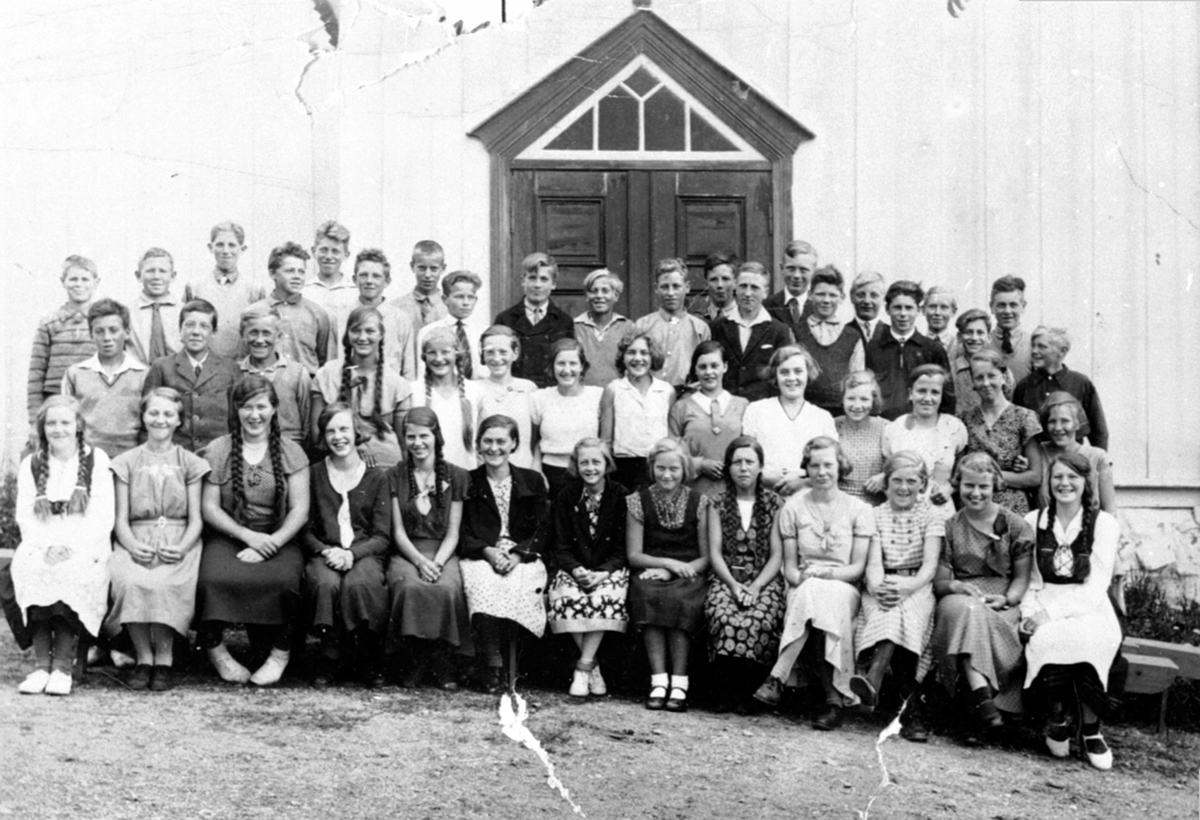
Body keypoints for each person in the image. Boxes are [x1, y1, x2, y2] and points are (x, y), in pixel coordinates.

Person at [196, 376, 311, 686]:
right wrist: (248, 537)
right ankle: (217, 652)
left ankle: (279, 655)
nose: (254, 414)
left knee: (286, 582)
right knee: (210, 580)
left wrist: (271, 542)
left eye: (262, 406)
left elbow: (300, 510)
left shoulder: (291, 451)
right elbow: (211, 508)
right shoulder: (219, 450)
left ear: (274, 409)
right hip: (231, 535)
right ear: (236, 410)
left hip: (278, 536)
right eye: (247, 407)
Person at [752, 437, 873, 730]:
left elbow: (857, 569)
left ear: (839, 466)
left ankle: (778, 677)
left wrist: (825, 575)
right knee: (812, 594)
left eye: (828, 464)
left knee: (819, 594)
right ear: (806, 468)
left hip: (843, 585)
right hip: (803, 584)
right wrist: (806, 578)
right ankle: (834, 701)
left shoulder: (859, 509)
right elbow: (790, 570)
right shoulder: (793, 508)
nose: (821, 472)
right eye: (814, 465)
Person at [1021, 453, 1122, 770]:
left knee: (1090, 639)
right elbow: (1031, 580)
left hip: (1089, 604)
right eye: (1057, 477)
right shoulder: (1033, 520)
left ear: (1085, 482)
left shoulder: (1103, 524)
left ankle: (1091, 729)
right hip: (1043, 599)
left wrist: (1048, 615)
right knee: (1047, 640)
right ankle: (1057, 718)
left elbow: (1096, 586)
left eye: (1072, 477)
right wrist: (1030, 614)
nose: (1064, 483)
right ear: (1048, 483)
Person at [106, 388, 209, 692]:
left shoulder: (190, 462)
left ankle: (164, 658)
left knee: (166, 583)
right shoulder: (126, 462)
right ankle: (143, 657)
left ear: (179, 421)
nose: (160, 420)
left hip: (179, 539)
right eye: (153, 413)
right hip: (136, 538)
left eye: (168, 414)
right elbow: (120, 519)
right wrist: (130, 543)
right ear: (143, 417)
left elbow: (196, 519)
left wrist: (183, 546)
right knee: (129, 579)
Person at [10, 396, 114, 696]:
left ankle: (62, 669)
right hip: (43, 541)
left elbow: (102, 515)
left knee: (71, 573)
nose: (59, 429)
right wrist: (46, 547)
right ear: (42, 428)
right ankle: (42, 666)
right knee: (31, 568)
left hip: (85, 542)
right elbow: (26, 515)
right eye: (51, 423)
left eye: (66, 422)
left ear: (78, 426)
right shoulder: (33, 463)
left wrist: (71, 546)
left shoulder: (96, 460)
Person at [931, 453, 1033, 737]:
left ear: (995, 486)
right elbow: (940, 582)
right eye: (968, 486)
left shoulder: (1016, 525)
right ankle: (982, 698)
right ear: (958, 484)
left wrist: (1008, 600)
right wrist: (957, 587)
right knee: (967, 611)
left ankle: (974, 708)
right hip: (960, 595)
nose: (975, 493)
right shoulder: (950, 526)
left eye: (983, 487)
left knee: (980, 620)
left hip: (1002, 599)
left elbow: (1021, 578)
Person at [850, 452, 944, 742]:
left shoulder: (931, 514)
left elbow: (929, 566)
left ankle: (874, 678)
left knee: (905, 613)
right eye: (897, 481)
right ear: (886, 484)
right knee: (890, 612)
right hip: (882, 583)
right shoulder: (874, 514)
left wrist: (907, 587)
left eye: (911, 481)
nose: (904, 488)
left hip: (917, 585)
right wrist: (879, 587)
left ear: (923, 484)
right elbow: (874, 564)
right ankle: (911, 715)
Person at [458, 415, 551, 694]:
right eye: (487, 441)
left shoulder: (532, 480)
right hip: (481, 555)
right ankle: (492, 663)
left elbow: (543, 529)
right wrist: (487, 552)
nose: (494, 448)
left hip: (522, 556)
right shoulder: (468, 481)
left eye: (501, 441)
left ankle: (516, 664)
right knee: (483, 582)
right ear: (478, 445)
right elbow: (461, 529)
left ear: (514, 444)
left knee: (519, 583)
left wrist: (518, 554)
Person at [302, 402, 392, 688]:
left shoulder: (376, 475)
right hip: (325, 552)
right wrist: (326, 551)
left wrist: (352, 554)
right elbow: (306, 529)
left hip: (364, 552)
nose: (338, 437)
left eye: (344, 429)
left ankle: (366, 655)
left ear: (356, 432)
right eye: (330, 431)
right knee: (324, 583)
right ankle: (330, 654)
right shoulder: (314, 474)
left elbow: (381, 535)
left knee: (361, 583)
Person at [385, 407, 473, 689]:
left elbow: (453, 532)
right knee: (410, 586)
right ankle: (415, 660)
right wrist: (420, 562)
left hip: (444, 551)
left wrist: (436, 563)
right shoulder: (395, 475)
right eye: (411, 437)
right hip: (408, 551)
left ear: (436, 436)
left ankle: (442, 661)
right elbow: (398, 532)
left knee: (447, 587)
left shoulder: (457, 476)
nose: (418, 443)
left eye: (424, 436)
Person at [627, 438, 711, 712]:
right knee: (648, 593)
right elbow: (634, 554)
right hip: (651, 570)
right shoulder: (637, 501)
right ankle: (658, 680)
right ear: (652, 468)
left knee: (679, 600)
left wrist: (677, 570)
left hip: (690, 573)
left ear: (684, 469)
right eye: (661, 468)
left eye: (674, 469)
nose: (667, 474)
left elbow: (707, 555)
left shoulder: (699, 502)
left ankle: (680, 682)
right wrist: (666, 565)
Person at [704, 436, 784, 713]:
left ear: (761, 466)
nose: (743, 468)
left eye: (750, 462)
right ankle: (723, 690)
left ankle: (748, 692)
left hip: (764, 579)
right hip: (727, 576)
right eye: (736, 462)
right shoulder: (717, 503)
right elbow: (715, 552)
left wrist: (758, 586)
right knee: (723, 613)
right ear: (728, 468)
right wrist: (733, 584)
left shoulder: (774, 503)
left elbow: (777, 554)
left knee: (759, 617)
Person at [547, 439, 630, 698]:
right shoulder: (566, 496)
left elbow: (622, 547)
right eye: (584, 462)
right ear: (576, 465)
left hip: (610, 569)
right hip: (574, 568)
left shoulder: (621, 496)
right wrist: (576, 570)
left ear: (607, 465)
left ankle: (582, 669)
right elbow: (559, 545)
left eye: (596, 461)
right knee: (566, 596)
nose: (590, 468)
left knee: (604, 596)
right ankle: (592, 667)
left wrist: (603, 572)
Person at [312, 305, 412, 468]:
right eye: (356, 330)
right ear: (347, 334)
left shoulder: (397, 384)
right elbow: (317, 434)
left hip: (384, 466)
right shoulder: (326, 375)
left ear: (381, 335)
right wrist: (353, 457)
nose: (362, 337)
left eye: (370, 331)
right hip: (338, 461)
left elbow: (404, 443)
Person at [142, 299, 240, 452]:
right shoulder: (162, 367)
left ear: (213, 333)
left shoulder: (229, 369)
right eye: (189, 325)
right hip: (174, 455)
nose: (196, 332)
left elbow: (237, 420)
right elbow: (147, 420)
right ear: (180, 330)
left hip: (217, 456)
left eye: (204, 326)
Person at [741, 345, 838, 496]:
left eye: (798, 371)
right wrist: (763, 476)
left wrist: (803, 482)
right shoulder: (756, 410)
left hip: (808, 497)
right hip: (763, 496)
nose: (792, 378)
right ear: (775, 375)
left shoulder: (822, 417)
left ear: (808, 374)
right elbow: (745, 458)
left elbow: (832, 466)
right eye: (784, 372)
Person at [61, 298, 148, 457]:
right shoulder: (75, 374)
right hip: (86, 457)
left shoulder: (143, 374)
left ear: (127, 332)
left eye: (113, 330)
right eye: (99, 331)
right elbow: (65, 420)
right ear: (91, 334)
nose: (107, 337)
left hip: (130, 457)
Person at [962, 349, 1043, 515]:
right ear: (973, 382)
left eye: (991, 375)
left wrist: (990, 476)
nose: (985, 383)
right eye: (979, 377)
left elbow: (1035, 476)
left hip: (1012, 509)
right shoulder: (965, 420)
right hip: (973, 506)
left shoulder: (1024, 417)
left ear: (1003, 377)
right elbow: (959, 470)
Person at [881, 365, 967, 512]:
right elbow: (886, 476)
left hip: (940, 510)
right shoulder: (894, 429)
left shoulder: (954, 427)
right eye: (921, 391)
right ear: (910, 393)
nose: (928, 398)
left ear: (941, 396)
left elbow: (963, 471)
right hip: (902, 513)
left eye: (934, 392)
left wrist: (949, 489)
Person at [668, 341, 748, 497]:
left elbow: (751, 450)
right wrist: (700, 464)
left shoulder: (742, 405)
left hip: (734, 492)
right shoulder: (681, 407)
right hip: (693, 492)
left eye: (714, 366)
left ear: (724, 367)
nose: (709, 372)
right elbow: (671, 454)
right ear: (695, 371)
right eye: (702, 367)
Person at [865, 280, 953, 420]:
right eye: (897, 307)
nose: (903, 314)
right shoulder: (874, 348)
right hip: (882, 424)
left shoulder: (932, 349)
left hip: (922, 425)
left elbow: (947, 396)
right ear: (887, 309)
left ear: (918, 310)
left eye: (909, 308)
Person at [27, 254, 99, 423]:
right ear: (63, 281)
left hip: (92, 398)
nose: (79, 284)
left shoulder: (102, 322)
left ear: (96, 282)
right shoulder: (49, 322)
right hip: (55, 397)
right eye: (73, 279)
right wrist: (34, 418)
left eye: (85, 279)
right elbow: (36, 374)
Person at [246, 242, 337, 376]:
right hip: (265, 387)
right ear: (272, 274)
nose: (297, 276)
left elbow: (323, 359)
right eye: (289, 271)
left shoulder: (317, 313)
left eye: (301, 271)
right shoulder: (254, 312)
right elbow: (245, 357)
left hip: (306, 388)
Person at [708, 262, 795, 401]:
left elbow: (784, 375)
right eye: (743, 286)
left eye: (754, 288)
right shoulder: (716, 327)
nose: (748, 293)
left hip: (763, 410)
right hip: (725, 408)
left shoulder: (779, 331)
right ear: (735, 286)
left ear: (765, 292)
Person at [600, 333, 675, 491]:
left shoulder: (666, 391)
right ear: (623, 357)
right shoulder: (614, 389)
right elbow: (605, 440)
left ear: (653, 356)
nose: (638, 358)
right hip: (624, 467)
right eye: (631, 352)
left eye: (644, 353)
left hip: (658, 467)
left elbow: (672, 437)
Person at [530, 338, 603, 501]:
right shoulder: (539, 398)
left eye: (573, 363)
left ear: (582, 366)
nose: (567, 370)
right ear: (552, 366)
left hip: (589, 472)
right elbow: (534, 440)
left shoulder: (597, 396)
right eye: (561, 363)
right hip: (551, 474)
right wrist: (537, 468)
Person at [1014, 326, 1108, 451]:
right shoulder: (1024, 386)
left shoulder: (1080, 382)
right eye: (1033, 346)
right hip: (1036, 462)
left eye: (1042, 346)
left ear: (1062, 351)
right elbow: (1015, 431)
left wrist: (1099, 465)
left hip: (1071, 462)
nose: (1034, 351)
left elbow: (1099, 431)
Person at [791, 265, 866, 416]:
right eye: (820, 294)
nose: (826, 300)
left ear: (842, 297)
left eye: (832, 295)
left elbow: (857, 378)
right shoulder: (796, 331)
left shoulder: (852, 336)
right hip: (804, 411)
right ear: (810, 295)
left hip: (841, 412)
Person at [185, 221, 267, 359]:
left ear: (243, 248)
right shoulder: (195, 287)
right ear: (211, 247)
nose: (226, 251)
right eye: (220, 245)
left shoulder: (255, 289)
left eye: (232, 245)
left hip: (242, 366)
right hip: (205, 367)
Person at [494, 252, 574, 388]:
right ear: (522, 281)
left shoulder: (563, 321)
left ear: (553, 284)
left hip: (550, 391)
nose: (537, 285)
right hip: (515, 391)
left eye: (544, 279)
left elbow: (568, 361)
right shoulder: (505, 318)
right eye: (532, 278)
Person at [237, 305, 312, 446]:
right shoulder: (235, 373)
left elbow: (307, 424)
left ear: (278, 336)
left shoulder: (297, 373)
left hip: (288, 455)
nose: (259, 340)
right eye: (253, 333)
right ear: (243, 335)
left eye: (266, 333)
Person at [410, 327, 484, 470]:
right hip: (427, 474)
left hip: (466, 474)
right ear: (424, 356)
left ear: (457, 354)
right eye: (432, 353)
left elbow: (480, 442)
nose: (439, 359)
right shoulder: (414, 391)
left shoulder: (474, 392)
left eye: (445, 352)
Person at [633, 258, 711, 391]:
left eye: (676, 286)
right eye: (664, 287)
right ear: (656, 288)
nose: (670, 293)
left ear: (687, 287)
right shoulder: (642, 326)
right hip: (650, 396)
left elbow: (707, 366)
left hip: (687, 397)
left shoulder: (700, 328)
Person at [1033, 392, 1116, 513]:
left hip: (1088, 529)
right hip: (1046, 528)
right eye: (1052, 421)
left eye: (1065, 421)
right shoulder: (1038, 453)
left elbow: (1110, 510)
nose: (1057, 428)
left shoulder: (1098, 457)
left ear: (1077, 424)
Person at [476, 325, 537, 469]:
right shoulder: (474, 389)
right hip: (485, 470)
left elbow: (536, 437)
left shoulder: (529, 388)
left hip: (523, 469)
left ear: (515, 353)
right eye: (490, 352)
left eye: (503, 352)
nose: (497, 359)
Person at [350, 248, 417, 380]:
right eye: (363, 275)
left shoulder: (400, 319)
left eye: (376, 276)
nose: (369, 281)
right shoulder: (342, 317)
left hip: (390, 394)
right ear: (354, 279)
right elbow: (333, 365)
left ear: (387, 281)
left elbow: (409, 371)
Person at [416, 270, 485, 380]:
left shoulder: (483, 331)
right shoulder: (428, 331)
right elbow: (422, 372)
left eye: (470, 297)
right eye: (459, 297)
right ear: (445, 299)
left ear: (475, 300)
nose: (466, 303)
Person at [301, 221, 361, 340]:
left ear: (346, 255)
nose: (329, 257)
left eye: (335, 251)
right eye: (323, 250)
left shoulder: (355, 293)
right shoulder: (304, 292)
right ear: (313, 251)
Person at [574, 269, 633, 388]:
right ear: (586, 296)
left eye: (605, 291)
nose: (599, 296)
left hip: (617, 396)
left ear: (616, 296)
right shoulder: (574, 327)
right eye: (593, 291)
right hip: (583, 397)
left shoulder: (628, 327)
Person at [835, 371, 888, 506]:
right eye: (851, 398)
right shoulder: (832, 426)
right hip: (838, 504)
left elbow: (900, 465)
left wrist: (885, 476)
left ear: (873, 400)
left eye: (864, 399)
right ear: (842, 399)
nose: (857, 406)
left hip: (875, 505)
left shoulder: (886, 428)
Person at [393, 240, 449, 363]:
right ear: (412, 266)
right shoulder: (396, 308)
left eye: (434, 268)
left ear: (443, 268)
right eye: (422, 268)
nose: (428, 275)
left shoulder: (450, 307)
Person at [127, 248, 182, 366]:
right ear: (138, 276)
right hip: (139, 378)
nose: (156, 276)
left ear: (173, 276)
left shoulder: (185, 312)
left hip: (177, 379)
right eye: (150, 271)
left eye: (163, 271)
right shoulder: (127, 313)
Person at [950, 308, 1002, 419]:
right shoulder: (950, 371)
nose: (974, 338)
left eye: (980, 332)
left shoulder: (1000, 369)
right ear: (959, 337)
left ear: (988, 337)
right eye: (969, 332)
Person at [764, 240, 818, 327]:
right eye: (791, 268)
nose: (796, 275)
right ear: (782, 269)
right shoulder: (767, 305)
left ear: (814, 272)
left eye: (803, 270)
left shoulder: (819, 306)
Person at [989, 275, 1032, 383]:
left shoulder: (1033, 344)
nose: (1007, 311)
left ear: (1023, 306)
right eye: (1001, 305)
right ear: (991, 307)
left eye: (1013, 305)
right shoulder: (983, 342)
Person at [688, 252, 739, 323]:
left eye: (725, 279)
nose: (719, 285)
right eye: (714, 279)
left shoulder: (746, 318)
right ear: (706, 284)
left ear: (735, 283)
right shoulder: (695, 321)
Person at [849, 271, 889, 345]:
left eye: (874, 295)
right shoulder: (841, 333)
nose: (867, 301)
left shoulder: (892, 334)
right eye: (861, 295)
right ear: (852, 297)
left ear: (883, 299)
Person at [922, 285, 958, 355]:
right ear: (923, 310)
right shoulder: (915, 345)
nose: (937, 313)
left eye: (944, 307)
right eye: (932, 306)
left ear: (953, 311)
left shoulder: (960, 347)